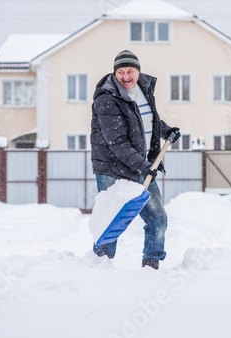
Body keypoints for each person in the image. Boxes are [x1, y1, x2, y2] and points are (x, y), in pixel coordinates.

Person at [90, 50, 180, 270]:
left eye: (130, 71)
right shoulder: (107, 98)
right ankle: (100, 267)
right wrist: (145, 167)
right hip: (113, 168)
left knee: (158, 218)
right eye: (121, 71)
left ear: (138, 71)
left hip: (141, 165)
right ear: (115, 73)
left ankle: (151, 264)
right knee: (112, 223)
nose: (126, 76)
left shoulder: (143, 89)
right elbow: (117, 142)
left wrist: (166, 130)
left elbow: (149, 120)